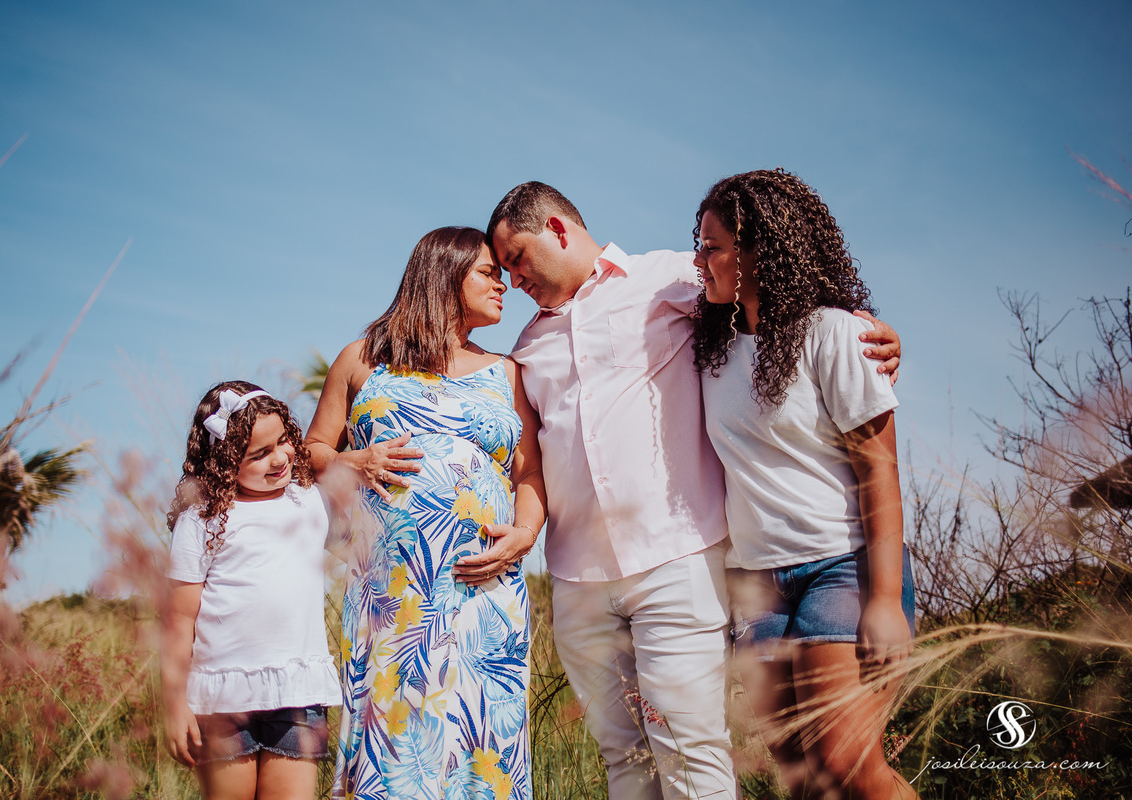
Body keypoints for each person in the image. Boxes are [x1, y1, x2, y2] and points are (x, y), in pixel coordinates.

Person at [486, 182, 901, 800]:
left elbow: (784, 295)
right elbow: (531, 462)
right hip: (579, 577)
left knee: (696, 750)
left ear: (556, 227)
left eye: (517, 257)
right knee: (625, 758)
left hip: (678, 561)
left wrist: (873, 336)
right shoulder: (526, 347)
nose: (512, 278)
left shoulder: (671, 278)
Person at [692, 169, 917, 799]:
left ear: (759, 251)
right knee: (805, 780)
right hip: (758, 587)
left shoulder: (834, 333)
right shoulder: (709, 346)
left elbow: (879, 467)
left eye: (712, 246)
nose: (699, 259)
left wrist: (884, 599)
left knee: (849, 767)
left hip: (842, 569)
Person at [306, 226, 547, 800]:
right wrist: (356, 460)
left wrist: (525, 533)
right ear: (445, 273)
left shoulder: (508, 371)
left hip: (484, 594)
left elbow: (530, 472)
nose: (504, 285)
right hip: (394, 597)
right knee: (394, 753)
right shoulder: (363, 360)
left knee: (481, 744)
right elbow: (311, 451)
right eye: (489, 272)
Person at [162, 380, 342, 800]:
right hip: (221, 699)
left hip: (297, 692)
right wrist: (174, 705)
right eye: (259, 454)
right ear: (224, 462)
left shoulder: (309, 501)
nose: (279, 458)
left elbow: (346, 458)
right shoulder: (202, 519)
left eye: (283, 441)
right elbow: (179, 618)